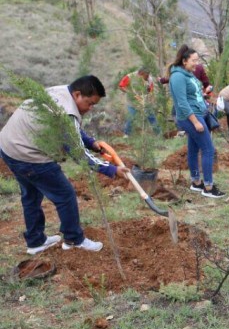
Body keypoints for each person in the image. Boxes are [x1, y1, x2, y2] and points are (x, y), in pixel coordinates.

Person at [0, 76, 128, 254]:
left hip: (8, 146)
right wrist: (112, 169)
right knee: (65, 195)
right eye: (90, 103)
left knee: (31, 195)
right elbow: (79, 154)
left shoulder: (60, 91)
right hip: (29, 155)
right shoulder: (68, 112)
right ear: (77, 94)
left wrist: (90, 142)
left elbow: (71, 127)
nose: (91, 109)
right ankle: (74, 240)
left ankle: (36, 242)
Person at [168, 45, 225, 198]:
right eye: (194, 61)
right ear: (185, 61)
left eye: (197, 60)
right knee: (208, 149)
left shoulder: (188, 74)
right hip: (191, 116)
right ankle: (208, 187)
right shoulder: (178, 77)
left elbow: (194, 94)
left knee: (193, 149)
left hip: (199, 113)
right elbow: (181, 102)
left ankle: (196, 182)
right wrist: (195, 122)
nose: (196, 64)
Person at [118, 68, 158, 136]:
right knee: (131, 118)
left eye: (149, 75)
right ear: (141, 74)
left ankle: (159, 134)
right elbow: (121, 86)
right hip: (133, 103)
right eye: (146, 75)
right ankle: (126, 135)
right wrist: (130, 93)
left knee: (152, 117)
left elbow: (151, 90)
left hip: (145, 102)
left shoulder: (149, 79)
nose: (148, 77)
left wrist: (150, 96)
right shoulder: (130, 77)